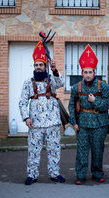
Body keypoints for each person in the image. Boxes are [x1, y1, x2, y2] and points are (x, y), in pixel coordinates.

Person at [19, 40, 65, 185]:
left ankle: (55, 173)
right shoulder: (28, 82)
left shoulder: (52, 80)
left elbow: (61, 82)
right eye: (36, 65)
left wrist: (55, 69)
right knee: (33, 151)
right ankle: (32, 174)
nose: (38, 67)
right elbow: (22, 102)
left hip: (53, 123)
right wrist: (26, 118)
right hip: (36, 124)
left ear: (45, 66)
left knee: (54, 150)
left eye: (41, 65)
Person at [68, 44, 109, 185]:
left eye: (90, 72)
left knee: (98, 150)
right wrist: (74, 123)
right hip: (82, 123)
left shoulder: (103, 86)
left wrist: (95, 101)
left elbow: (108, 103)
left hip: (100, 123)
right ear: (82, 73)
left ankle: (97, 173)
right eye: (85, 72)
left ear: (94, 72)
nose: (88, 75)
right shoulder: (76, 87)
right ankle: (80, 175)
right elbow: (71, 106)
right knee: (81, 151)